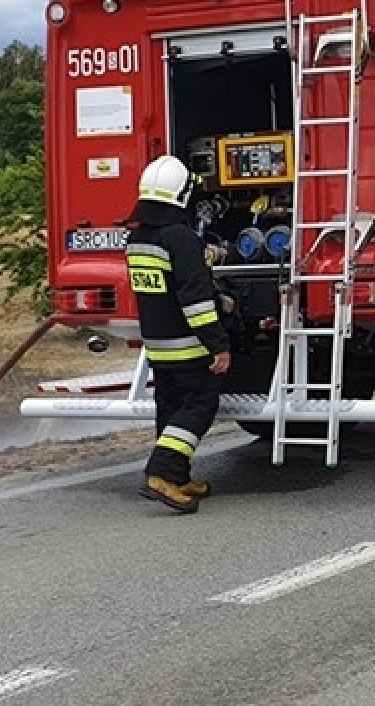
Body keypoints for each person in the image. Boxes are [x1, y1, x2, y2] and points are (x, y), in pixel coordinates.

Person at [127, 156, 232, 513]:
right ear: (182, 195)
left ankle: (179, 475)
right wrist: (218, 344)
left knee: (170, 408)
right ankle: (162, 472)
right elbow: (195, 300)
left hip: (158, 345)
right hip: (188, 346)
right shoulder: (181, 238)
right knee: (199, 406)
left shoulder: (138, 238)